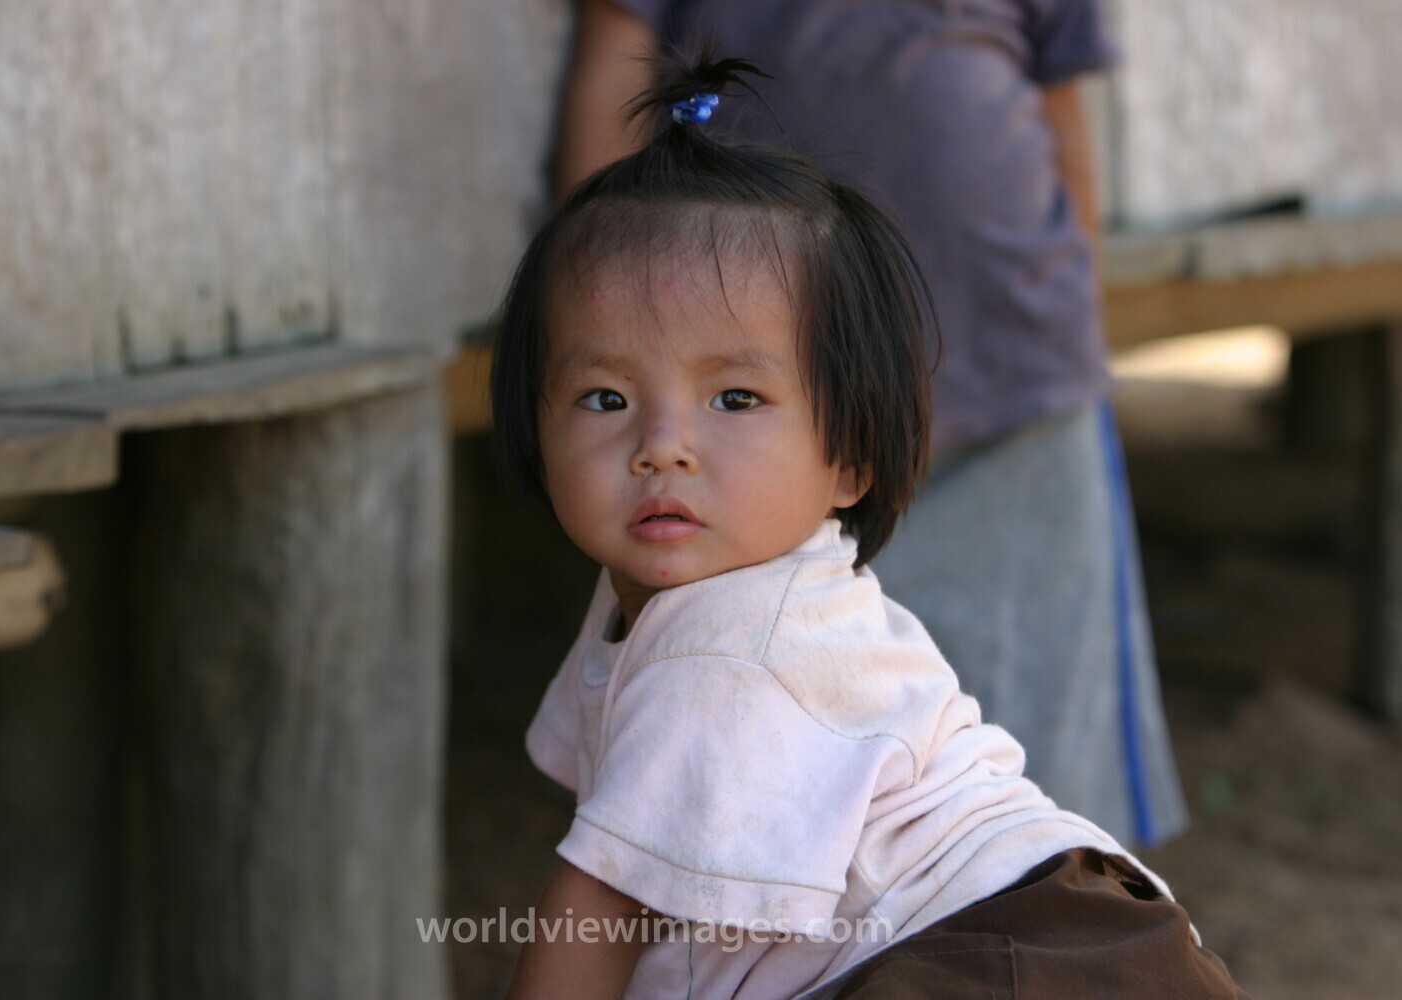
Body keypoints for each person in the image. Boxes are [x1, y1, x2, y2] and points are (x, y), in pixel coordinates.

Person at [493, 53, 1244, 1000]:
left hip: (1006, 956)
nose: (662, 446)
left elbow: (593, 935)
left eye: (735, 395)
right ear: (534, 416)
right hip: (1058, 934)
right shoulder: (678, 597)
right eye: (605, 396)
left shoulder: (729, 650)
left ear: (849, 456)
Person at [554, 0, 1188, 850]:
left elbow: (1061, 111)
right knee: (792, 727)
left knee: (1050, 723)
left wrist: (1076, 305)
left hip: (1021, 368)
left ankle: (1056, 928)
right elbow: (615, 70)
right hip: (772, 418)